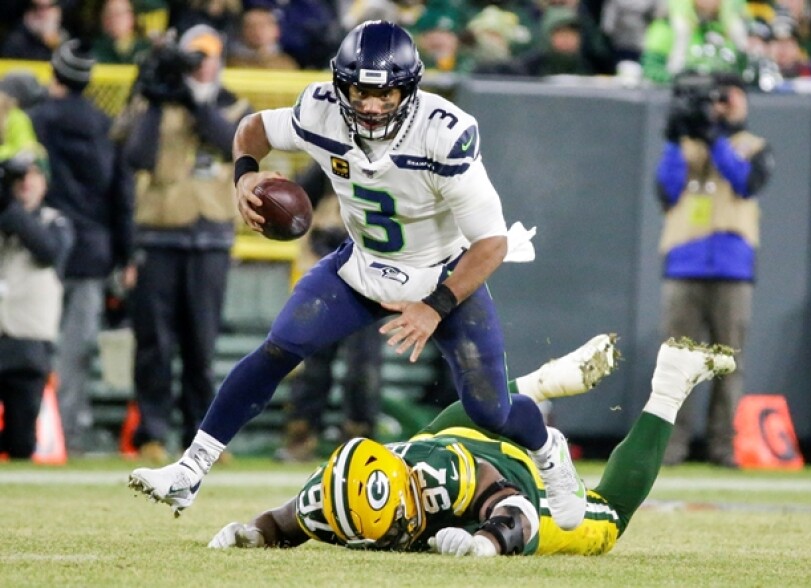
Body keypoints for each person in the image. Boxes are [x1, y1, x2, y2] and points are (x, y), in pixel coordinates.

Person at [129, 20, 596, 531]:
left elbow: (491, 244)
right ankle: (190, 470)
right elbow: (253, 129)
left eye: (385, 92)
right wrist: (244, 175)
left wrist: (435, 306)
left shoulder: (444, 133)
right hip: (362, 265)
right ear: (341, 85)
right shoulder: (321, 110)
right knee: (280, 348)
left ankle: (548, 450)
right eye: (360, 92)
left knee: (490, 411)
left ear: (408, 88)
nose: (371, 105)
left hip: (440, 274)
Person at [205, 338, 734, 555]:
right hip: (450, 429)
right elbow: (284, 521)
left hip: (508, 475)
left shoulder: (441, 481)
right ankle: (541, 382)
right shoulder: (332, 499)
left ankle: (671, 381)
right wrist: (252, 533)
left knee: (607, 520)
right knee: (461, 420)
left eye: (394, 522)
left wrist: (487, 541)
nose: (392, 537)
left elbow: (516, 509)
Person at [113, 24, 251, 462]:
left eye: (207, 56)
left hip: (210, 237)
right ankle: (151, 433)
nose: (201, 65)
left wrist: (192, 100)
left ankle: (202, 436)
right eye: (194, 56)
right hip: (159, 233)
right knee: (154, 342)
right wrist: (156, 99)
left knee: (201, 344)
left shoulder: (233, 104)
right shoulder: (153, 102)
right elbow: (136, 156)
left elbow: (230, 144)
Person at [656, 71, 774, 467]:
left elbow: (745, 182)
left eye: (728, 97)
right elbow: (667, 189)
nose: (719, 105)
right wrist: (675, 137)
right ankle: (670, 447)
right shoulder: (684, 146)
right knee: (676, 364)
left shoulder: (753, 145)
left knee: (729, 363)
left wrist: (714, 137)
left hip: (732, 267)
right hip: (683, 263)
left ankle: (722, 447)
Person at [27, 39, 135, 455]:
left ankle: (26, 427)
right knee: (76, 349)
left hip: (37, 245)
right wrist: (126, 255)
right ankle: (66, 433)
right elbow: (121, 196)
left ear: (54, 72)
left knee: (28, 340)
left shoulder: (34, 120)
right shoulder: (104, 126)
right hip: (92, 250)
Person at [276, 163, 382, 462]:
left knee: (363, 364)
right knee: (313, 359)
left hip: (371, 264)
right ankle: (302, 436)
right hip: (327, 256)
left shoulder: (396, 161)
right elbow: (298, 196)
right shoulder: (333, 153)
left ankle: (359, 441)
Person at [0, 149, 74, 459]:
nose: (25, 184)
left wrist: (10, 209)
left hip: (27, 341)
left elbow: (48, 251)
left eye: (33, 176)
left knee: (21, 438)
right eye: (18, 178)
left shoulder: (56, 222)